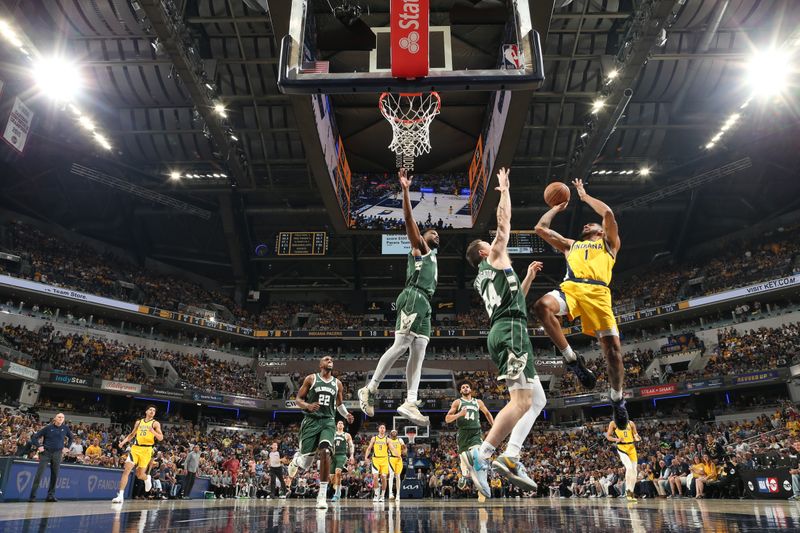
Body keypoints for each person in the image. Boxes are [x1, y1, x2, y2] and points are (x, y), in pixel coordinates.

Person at [464, 167, 547, 498]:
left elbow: (515, 302)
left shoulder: (486, 276)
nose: (493, 241)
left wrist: (525, 277)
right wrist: (504, 190)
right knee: (521, 400)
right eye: (488, 243)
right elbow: (504, 224)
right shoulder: (493, 257)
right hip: (511, 332)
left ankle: (512, 454)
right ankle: (481, 455)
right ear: (484, 251)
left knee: (538, 399)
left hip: (506, 326)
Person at [533, 178, 628, 427]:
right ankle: (573, 360)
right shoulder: (570, 245)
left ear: (600, 230)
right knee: (541, 306)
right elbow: (540, 229)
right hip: (572, 289)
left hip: (598, 294)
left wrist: (584, 196)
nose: (586, 223)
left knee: (614, 355)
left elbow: (607, 213)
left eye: (591, 223)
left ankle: (617, 399)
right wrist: (556, 208)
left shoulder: (609, 244)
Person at [358, 168, 440, 427]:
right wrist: (405, 190)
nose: (435, 233)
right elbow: (408, 220)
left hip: (425, 304)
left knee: (419, 351)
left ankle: (410, 401)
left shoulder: (433, 257)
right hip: (413, 297)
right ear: (422, 238)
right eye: (431, 232)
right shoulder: (420, 249)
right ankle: (370, 389)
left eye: (437, 233)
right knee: (401, 346)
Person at [286, 355, 354, 510]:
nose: (330, 360)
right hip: (311, 421)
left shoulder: (337, 384)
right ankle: (296, 460)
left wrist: (346, 414)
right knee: (305, 464)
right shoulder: (311, 379)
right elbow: (298, 399)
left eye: (331, 359)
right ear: (320, 365)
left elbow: (339, 404)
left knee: (325, 451)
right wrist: (308, 406)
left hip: (328, 422)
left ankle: (322, 495)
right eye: (326, 359)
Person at [445, 380, 495, 500]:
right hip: (463, 433)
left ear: (471, 390)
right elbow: (447, 419)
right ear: (460, 391)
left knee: (478, 453)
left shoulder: (478, 402)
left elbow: (487, 414)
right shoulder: (458, 402)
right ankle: (464, 475)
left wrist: (494, 426)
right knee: (463, 459)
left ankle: (481, 485)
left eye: (467, 387)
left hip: (475, 432)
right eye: (463, 387)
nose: (466, 388)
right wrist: (459, 414)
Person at [112, 405, 164, 504]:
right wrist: (123, 442)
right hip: (135, 448)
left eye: (154, 411)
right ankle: (120, 496)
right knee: (126, 470)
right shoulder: (139, 422)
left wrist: (153, 432)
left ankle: (147, 478)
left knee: (140, 475)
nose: (152, 411)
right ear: (146, 411)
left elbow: (161, 438)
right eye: (150, 410)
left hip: (147, 450)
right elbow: (132, 434)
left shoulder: (155, 423)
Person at [28, 412, 73, 502]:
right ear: (55, 418)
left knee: (55, 475)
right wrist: (39, 446)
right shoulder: (48, 428)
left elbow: (71, 438)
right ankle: (32, 497)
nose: (61, 418)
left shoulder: (65, 428)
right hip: (46, 453)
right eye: (59, 417)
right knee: (39, 474)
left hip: (57, 453)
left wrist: (67, 448)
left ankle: (50, 496)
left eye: (62, 417)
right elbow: (34, 437)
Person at [606, 418, 641, 502]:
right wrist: (616, 439)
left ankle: (631, 492)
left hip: (631, 447)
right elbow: (608, 436)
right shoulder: (613, 423)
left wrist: (637, 437)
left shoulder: (631, 423)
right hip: (622, 447)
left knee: (634, 471)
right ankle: (628, 492)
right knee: (629, 468)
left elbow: (636, 435)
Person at [365, 424, 391, 502]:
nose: (382, 429)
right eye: (381, 428)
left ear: (385, 430)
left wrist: (397, 455)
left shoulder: (387, 439)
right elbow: (369, 448)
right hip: (376, 460)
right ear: (378, 429)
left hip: (385, 460)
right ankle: (376, 495)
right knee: (375, 477)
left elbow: (392, 449)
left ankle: (382, 495)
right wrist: (366, 457)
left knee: (383, 477)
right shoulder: (374, 438)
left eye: (383, 428)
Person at [331, 420, 355, 503]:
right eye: (339, 423)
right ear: (336, 425)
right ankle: (338, 487)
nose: (340, 424)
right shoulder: (332, 434)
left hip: (342, 455)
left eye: (342, 423)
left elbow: (351, 445)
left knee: (338, 473)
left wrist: (351, 455)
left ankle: (337, 494)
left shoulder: (347, 435)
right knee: (331, 478)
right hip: (332, 456)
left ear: (343, 426)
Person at [387, 429, 406, 501]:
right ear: (390, 433)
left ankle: (398, 495)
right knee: (391, 475)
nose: (394, 433)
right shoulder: (388, 440)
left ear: (397, 433)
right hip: (391, 458)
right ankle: (390, 493)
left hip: (399, 459)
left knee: (398, 476)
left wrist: (404, 451)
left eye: (395, 432)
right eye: (393, 432)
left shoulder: (400, 440)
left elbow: (404, 448)